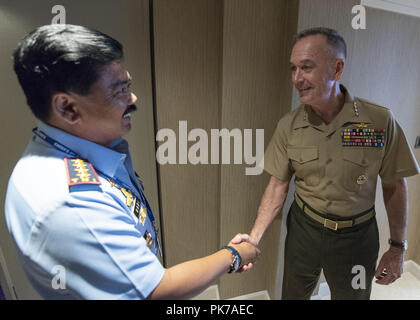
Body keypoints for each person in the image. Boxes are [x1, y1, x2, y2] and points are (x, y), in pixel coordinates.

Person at [5, 24, 260, 300]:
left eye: (129, 85)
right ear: (67, 107)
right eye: (119, 91)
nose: (133, 98)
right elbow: (155, 290)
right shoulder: (71, 203)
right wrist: (233, 255)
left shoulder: (85, 149)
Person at [233, 27, 420, 299]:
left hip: (356, 239)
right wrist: (254, 237)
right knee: (293, 295)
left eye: (306, 67)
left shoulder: (378, 122)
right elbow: (277, 186)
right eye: (293, 69)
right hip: (303, 232)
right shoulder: (290, 125)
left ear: (336, 69)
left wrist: (397, 248)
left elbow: (394, 185)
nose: (297, 78)